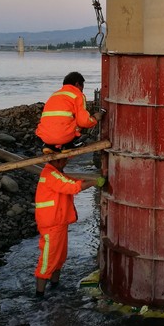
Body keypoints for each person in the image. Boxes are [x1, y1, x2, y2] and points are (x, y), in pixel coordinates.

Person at [33, 155, 104, 297]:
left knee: (59, 257)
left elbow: (71, 182)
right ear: (57, 160)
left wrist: (88, 181)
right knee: (48, 259)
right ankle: (39, 295)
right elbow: (72, 186)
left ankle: (54, 287)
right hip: (52, 224)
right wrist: (94, 181)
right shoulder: (52, 175)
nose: (66, 162)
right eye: (65, 160)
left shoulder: (54, 173)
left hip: (57, 223)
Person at [36, 71, 103, 154]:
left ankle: (49, 146)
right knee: (79, 120)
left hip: (44, 137)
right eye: (82, 87)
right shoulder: (77, 95)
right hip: (64, 137)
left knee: (57, 121)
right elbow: (83, 122)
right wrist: (94, 118)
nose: (82, 90)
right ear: (77, 84)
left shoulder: (55, 94)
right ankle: (68, 145)